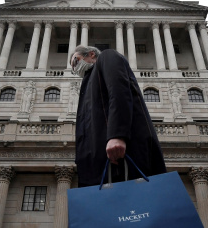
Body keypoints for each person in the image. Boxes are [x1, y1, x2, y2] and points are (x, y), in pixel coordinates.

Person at [70, 45, 166, 187]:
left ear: (91, 55)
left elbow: (119, 92)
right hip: (100, 161)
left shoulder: (107, 57)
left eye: (76, 61)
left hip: (120, 153)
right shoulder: (89, 81)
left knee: (137, 202)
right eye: (72, 66)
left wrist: (117, 135)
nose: (74, 68)